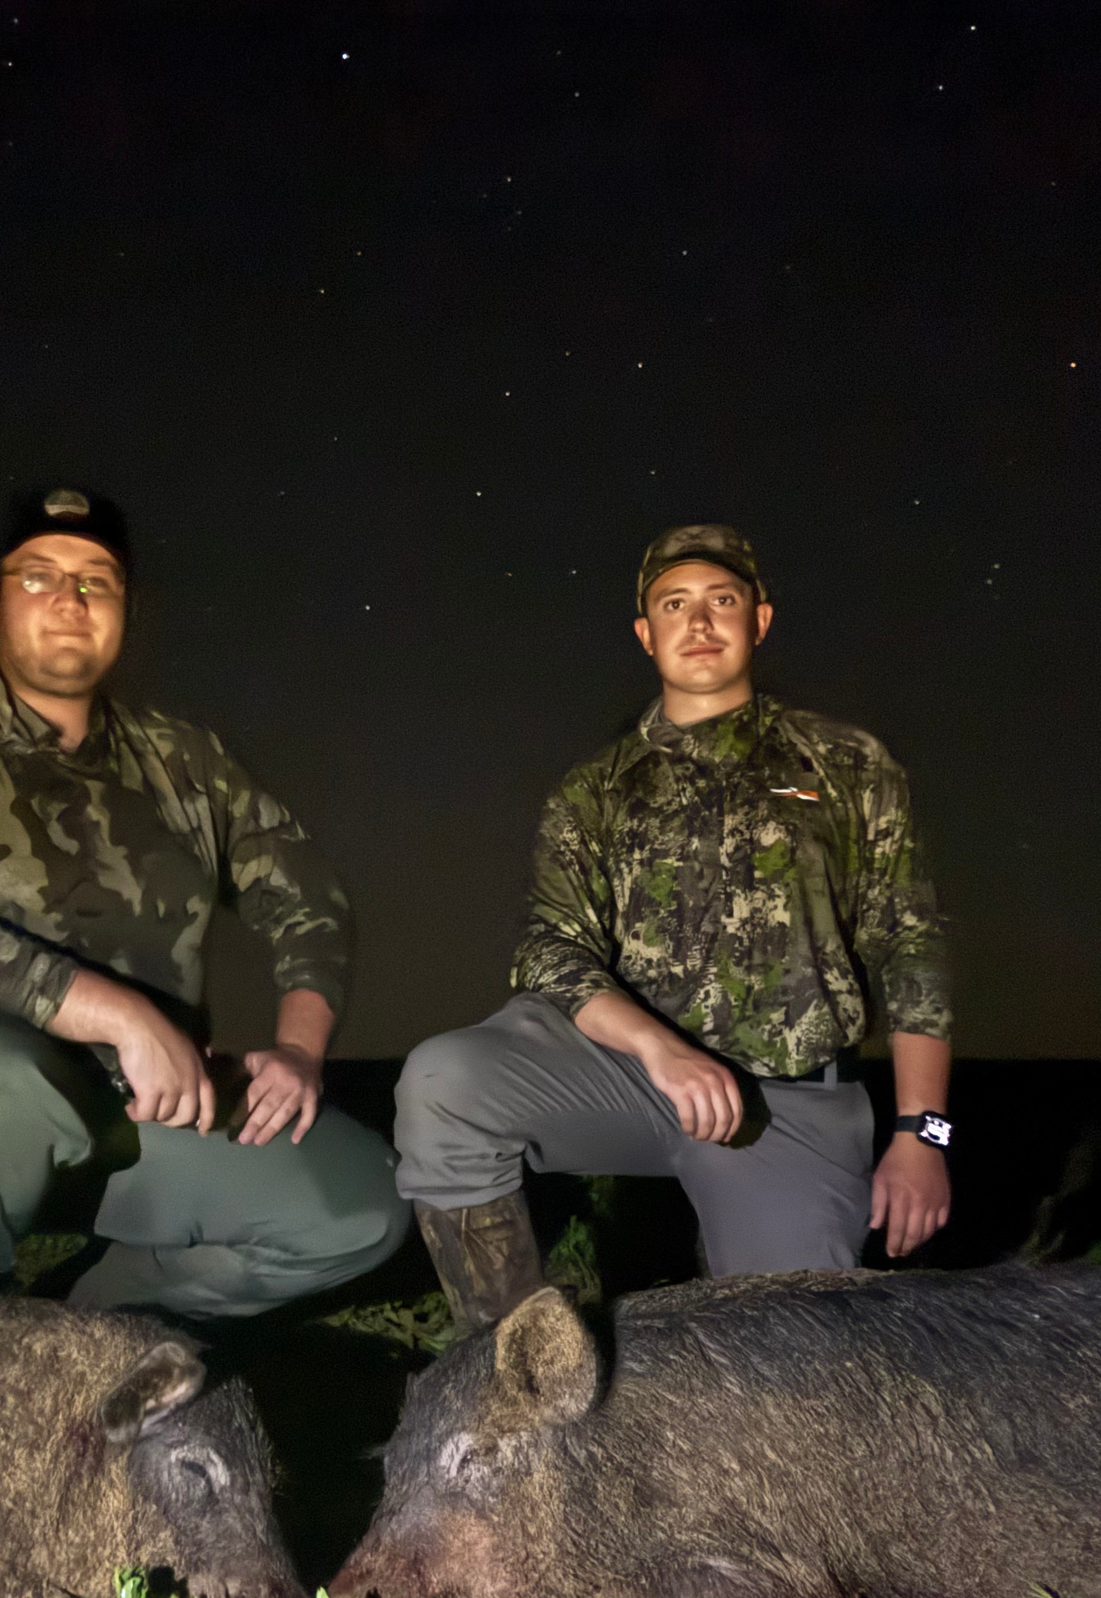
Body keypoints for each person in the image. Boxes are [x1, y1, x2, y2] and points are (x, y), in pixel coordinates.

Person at [0, 485, 411, 1316]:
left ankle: (102, 1335)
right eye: (40, 576)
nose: (70, 598)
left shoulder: (181, 758)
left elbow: (309, 897)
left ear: (125, 608)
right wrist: (127, 1019)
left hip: (130, 1102)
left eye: (96, 580)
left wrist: (300, 1051)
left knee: (362, 1205)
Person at [393, 523, 955, 1325]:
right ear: (645, 633)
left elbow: (911, 944)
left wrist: (922, 1134)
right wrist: (660, 1047)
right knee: (443, 1083)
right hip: (630, 1072)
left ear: (759, 621)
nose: (699, 622)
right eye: (674, 604)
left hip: (784, 1101)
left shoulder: (847, 763)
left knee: (794, 1355)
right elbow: (551, 944)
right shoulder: (594, 788)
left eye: (722, 601)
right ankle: (514, 1369)